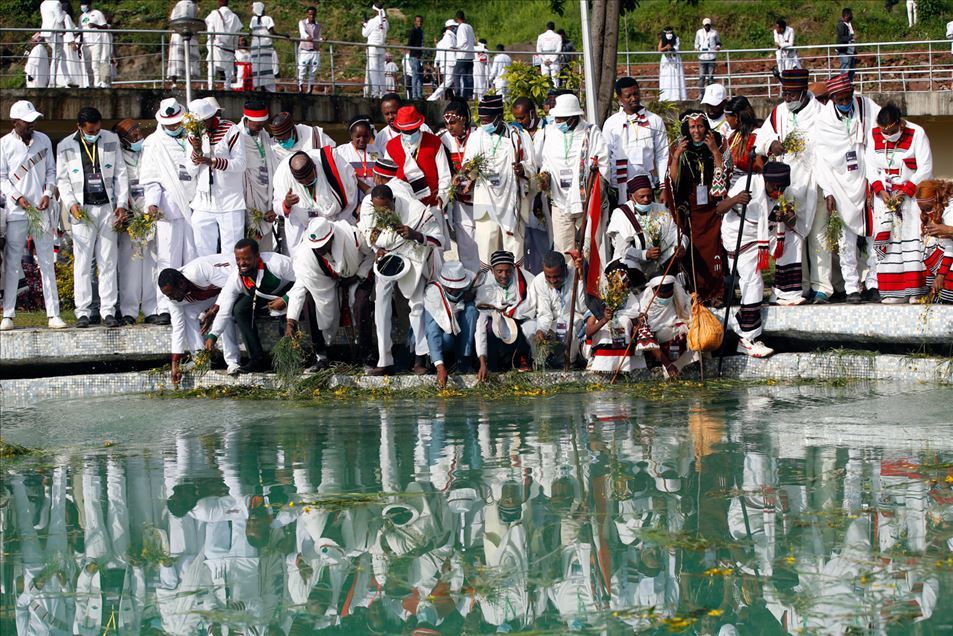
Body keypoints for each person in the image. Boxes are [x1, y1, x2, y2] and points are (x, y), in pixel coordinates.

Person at [755, 69, 827, 305]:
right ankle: (800, 286)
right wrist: (771, 144)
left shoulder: (821, 114)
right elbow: (760, 141)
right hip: (787, 188)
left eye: (791, 93)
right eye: (784, 92)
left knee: (818, 237)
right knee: (792, 238)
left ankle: (822, 287)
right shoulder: (778, 113)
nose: (786, 97)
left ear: (803, 91)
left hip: (815, 184)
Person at [357, 184, 444, 375]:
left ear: (393, 201)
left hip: (413, 257)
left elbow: (440, 241)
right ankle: (384, 360)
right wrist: (376, 249)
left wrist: (415, 234)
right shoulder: (370, 208)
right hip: (387, 259)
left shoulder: (416, 210)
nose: (384, 212)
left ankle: (420, 359)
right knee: (380, 304)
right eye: (379, 208)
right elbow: (369, 234)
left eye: (387, 208)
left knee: (417, 305)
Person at [57, 106, 128, 328]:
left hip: (107, 207)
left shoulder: (111, 139)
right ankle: (83, 312)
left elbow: (120, 172)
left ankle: (108, 310)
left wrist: (122, 203)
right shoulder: (65, 145)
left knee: (109, 261)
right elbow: (62, 180)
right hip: (82, 209)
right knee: (83, 263)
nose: (94, 133)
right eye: (89, 131)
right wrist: (70, 204)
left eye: (97, 129)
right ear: (79, 127)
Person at [814, 73, 881, 303]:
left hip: (866, 178)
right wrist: (828, 191)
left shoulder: (866, 106)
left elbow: (879, 133)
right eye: (840, 99)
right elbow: (820, 160)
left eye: (848, 97)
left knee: (874, 235)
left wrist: (874, 180)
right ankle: (852, 287)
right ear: (831, 98)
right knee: (845, 241)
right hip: (840, 184)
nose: (845, 102)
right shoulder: (823, 121)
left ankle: (874, 283)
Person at [0, 101, 67, 331]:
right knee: (11, 263)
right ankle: (8, 314)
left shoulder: (44, 139)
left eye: (33, 121)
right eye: (27, 122)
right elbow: (1, 179)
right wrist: (18, 197)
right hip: (17, 211)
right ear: (15, 122)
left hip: (41, 210)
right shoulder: (4, 144)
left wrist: (48, 193)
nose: (32, 125)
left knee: (47, 262)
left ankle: (54, 314)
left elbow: (51, 171)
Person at [721, 162, 792, 358]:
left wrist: (783, 215)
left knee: (793, 239)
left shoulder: (779, 193)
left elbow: (787, 218)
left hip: (762, 234)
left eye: (781, 188)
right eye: (775, 187)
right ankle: (747, 339)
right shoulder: (747, 182)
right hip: (739, 237)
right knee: (753, 281)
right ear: (766, 181)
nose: (778, 191)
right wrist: (736, 199)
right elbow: (720, 209)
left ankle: (786, 291)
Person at [285, 216, 374, 369]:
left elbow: (372, 254)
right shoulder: (304, 256)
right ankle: (321, 356)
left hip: (358, 276)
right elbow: (300, 286)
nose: (319, 250)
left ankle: (367, 356)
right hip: (329, 284)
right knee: (309, 301)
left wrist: (358, 274)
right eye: (316, 247)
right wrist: (291, 320)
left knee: (360, 304)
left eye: (322, 245)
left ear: (332, 237)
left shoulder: (352, 236)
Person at [866, 103, 933, 303]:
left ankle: (915, 291)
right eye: (883, 130)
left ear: (899, 124)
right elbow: (870, 166)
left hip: (910, 197)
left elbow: (926, 167)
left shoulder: (917, 133)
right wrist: (879, 190)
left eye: (891, 131)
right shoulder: (873, 134)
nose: (886, 134)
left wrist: (905, 192)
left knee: (912, 241)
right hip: (884, 198)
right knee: (889, 242)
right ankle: (893, 292)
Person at [463, 94, 537, 269]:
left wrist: (523, 170)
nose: (484, 124)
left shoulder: (519, 136)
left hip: (512, 202)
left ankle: (516, 293)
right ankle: (487, 293)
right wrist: (468, 171)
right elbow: (467, 166)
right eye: (481, 120)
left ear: (499, 117)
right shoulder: (476, 137)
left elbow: (533, 168)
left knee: (515, 251)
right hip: (485, 203)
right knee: (486, 250)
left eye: (488, 120)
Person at [140, 98, 197, 324]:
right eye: (170, 124)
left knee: (193, 257)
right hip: (168, 208)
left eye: (177, 123)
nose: (174, 127)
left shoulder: (193, 136)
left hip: (194, 204)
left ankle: (194, 303)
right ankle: (165, 308)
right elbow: (151, 179)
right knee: (167, 259)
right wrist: (152, 203)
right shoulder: (153, 143)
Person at [206, 238, 295, 372]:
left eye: (246, 259)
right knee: (239, 309)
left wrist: (286, 299)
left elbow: (304, 279)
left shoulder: (277, 263)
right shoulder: (235, 277)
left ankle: (288, 362)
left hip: (290, 293)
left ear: (257, 256)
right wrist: (213, 335)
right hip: (263, 297)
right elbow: (224, 309)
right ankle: (257, 359)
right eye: (238, 259)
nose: (242, 263)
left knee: (287, 314)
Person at [535, 93, 609, 254]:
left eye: (562, 118)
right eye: (557, 118)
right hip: (559, 201)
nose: (558, 122)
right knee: (563, 250)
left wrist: (596, 189)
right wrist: (544, 178)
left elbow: (603, 165)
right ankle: (568, 279)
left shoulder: (591, 132)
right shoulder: (550, 133)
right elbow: (545, 162)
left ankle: (588, 279)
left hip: (586, 202)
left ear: (573, 117)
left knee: (590, 249)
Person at [667, 110, 726, 305]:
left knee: (714, 249)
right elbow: (672, 182)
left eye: (700, 126)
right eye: (692, 127)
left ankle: (716, 292)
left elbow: (723, 177)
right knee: (694, 252)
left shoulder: (718, 142)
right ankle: (696, 293)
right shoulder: (679, 147)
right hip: (691, 209)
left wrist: (715, 151)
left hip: (712, 207)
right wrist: (676, 157)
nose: (696, 131)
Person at [157, 253, 240, 382]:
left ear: (181, 283)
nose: (170, 298)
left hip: (235, 282)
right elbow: (178, 328)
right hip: (214, 293)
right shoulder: (172, 299)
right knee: (189, 313)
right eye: (167, 296)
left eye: (172, 294)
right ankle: (200, 358)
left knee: (224, 312)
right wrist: (175, 366)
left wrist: (214, 310)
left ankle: (232, 362)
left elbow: (229, 288)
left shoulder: (199, 270)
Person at [185, 97, 246, 257]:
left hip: (230, 202)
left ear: (212, 117)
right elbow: (190, 171)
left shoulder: (230, 129)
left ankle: (230, 282)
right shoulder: (193, 134)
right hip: (203, 203)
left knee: (231, 256)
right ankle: (207, 283)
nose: (200, 128)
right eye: (196, 124)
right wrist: (196, 152)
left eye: (202, 123)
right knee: (203, 254)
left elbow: (240, 164)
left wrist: (211, 161)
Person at [113, 118, 160, 324]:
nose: (137, 133)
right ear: (122, 138)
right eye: (131, 131)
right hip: (130, 218)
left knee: (151, 264)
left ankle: (152, 310)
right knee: (130, 266)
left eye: (137, 128)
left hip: (150, 215)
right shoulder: (117, 156)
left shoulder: (149, 150)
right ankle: (129, 312)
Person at [272, 149, 358, 250]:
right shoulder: (283, 175)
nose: (305, 182)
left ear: (314, 167)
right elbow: (276, 206)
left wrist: (340, 227)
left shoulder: (332, 163)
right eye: (301, 181)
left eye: (309, 179)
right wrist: (286, 204)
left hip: (336, 223)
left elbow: (351, 194)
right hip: (301, 230)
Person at [607, 174, 686, 283]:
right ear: (631, 197)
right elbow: (623, 250)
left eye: (649, 195)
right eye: (642, 196)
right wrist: (645, 254)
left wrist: (681, 247)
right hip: (632, 265)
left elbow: (680, 235)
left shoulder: (662, 210)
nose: (646, 199)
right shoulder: (621, 214)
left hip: (659, 264)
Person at [604, 77, 670, 196]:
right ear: (619, 98)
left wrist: (663, 186)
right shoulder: (611, 123)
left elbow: (662, 155)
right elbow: (605, 157)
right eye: (628, 96)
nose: (633, 98)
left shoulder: (654, 120)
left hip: (647, 188)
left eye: (636, 94)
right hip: (618, 188)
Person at [385, 105, 451, 226]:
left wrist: (442, 197)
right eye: (405, 131)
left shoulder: (434, 142)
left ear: (419, 126)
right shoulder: (391, 146)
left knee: (435, 243)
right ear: (399, 128)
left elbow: (445, 175)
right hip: (404, 208)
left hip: (432, 206)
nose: (409, 134)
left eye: (412, 130)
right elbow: (388, 179)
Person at [475, 250, 535, 381]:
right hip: (495, 326)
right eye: (499, 271)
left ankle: (522, 359)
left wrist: (512, 312)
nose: (504, 275)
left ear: (513, 268)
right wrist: (482, 361)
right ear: (492, 270)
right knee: (489, 327)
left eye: (508, 271)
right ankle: (490, 365)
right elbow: (481, 322)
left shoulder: (526, 279)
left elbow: (531, 305)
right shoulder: (483, 285)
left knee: (528, 327)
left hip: (519, 318)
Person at [423, 260, 479, 386]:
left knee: (471, 310)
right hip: (437, 338)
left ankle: (464, 360)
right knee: (446, 338)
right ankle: (437, 362)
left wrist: (470, 297)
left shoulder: (466, 289)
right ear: (447, 287)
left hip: (457, 333)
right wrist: (440, 367)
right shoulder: (433, 294)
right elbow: (432, 330)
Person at [437, 100, 478, 270]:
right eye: (447, 123)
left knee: (487, 244)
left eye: (453, 122)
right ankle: (471, 282)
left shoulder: (479, 135)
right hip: (460, 203)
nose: (450, 127)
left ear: (464, 119)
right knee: (466, 246)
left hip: (482, 198)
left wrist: (474, 178)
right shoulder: (443, 138)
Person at [583, 261, 643, 373]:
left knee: (624, 321)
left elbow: (636, 326)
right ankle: (602, 364)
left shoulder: (632, 302)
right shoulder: (599, 302)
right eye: (617, 281)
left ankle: (623, 367)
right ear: (610, 282)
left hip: (624, 353)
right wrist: (604, 320)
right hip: (601, 353)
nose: (621, 285)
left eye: (624, 281)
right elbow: (588, 332)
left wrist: (639, 323)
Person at [530, 250, 584, 367]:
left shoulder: (575, 274)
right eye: (548, 277)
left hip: (575, 320)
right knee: (531, 331)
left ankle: (571, 362)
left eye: (557, 276)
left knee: (571, 331)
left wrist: (580, 280)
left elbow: (583, 307)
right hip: (553, 323)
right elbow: (545, 313)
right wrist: (541, 330)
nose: (553, 281)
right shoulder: (539, 281)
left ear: (565, 268)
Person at [637, 275, 696, 379]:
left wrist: (694, 302)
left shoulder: (678, 294)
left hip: (680, 331)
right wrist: (668, 365)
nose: (666, 298)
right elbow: (648, 340)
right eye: (662, 296)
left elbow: (687, 309)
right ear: (654, 291)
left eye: (669, 295)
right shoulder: (645, 303)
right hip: (662, 344)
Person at [239, 100, 278, 252]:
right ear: (246, 120)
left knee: (266, 249)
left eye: (263, 124)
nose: (260, 128)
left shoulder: (264, 135)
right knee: (248, 244)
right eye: (257, 125)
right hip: (247, 196)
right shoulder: (237, 137)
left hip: (267, 195)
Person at [917, 180, 953, 303]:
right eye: (924, 210)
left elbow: (950, 247)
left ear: (936, 200)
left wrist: (941, 275)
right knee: (928, 245)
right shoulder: (940, 207)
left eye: (928, 208)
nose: (927, 213)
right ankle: (934, 291)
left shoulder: (950, 209)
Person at [335, 115, 381, 201]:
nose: (362, 139)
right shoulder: (341, 151)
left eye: (366, 136)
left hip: (372, 197)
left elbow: (378, 170)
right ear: (351, 135)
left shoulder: (374, 150)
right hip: (351, 199)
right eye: (358, 136)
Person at [724, 96, 764, 186]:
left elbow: (760, 170)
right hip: (732, 190)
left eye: (727, 117)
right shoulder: (734, 136)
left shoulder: (756, 136)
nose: (726, 120)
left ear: (736, 117)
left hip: (749, 190)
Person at [204, 0, 242, 91]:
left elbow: (210, 33)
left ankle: (211, 86)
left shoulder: (214, 15)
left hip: (217, 46)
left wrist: (210, 40)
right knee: (228, 69)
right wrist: (235, 47)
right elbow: (237, 34)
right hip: (229, 48)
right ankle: (227, 87)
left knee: (212, 65)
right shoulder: (234, 17)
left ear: (219, 3)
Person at [268, 112, 335, 163]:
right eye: (279, 140)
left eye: (285, 139)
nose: (282, 143)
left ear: (293, 130)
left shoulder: (316, 137)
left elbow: (333, 157)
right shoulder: (274, 148)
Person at [167, 0, 198, 86]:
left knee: (176, 57)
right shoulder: (194, 6)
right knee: (189, 57)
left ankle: (174, 83)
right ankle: (189, 82)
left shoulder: (180, 4)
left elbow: (172, 19)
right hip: (191, 32)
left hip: (179, 32)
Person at [79, 0, 109, 88]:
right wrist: (79, 46)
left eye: (85, 4)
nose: (83, 6)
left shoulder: (97, 13)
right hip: (85, 44)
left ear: (89, 4)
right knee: (88, 67)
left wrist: (96, 26)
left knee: (95, 65)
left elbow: (105, 26)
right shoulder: (81, 17)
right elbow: (80, 32)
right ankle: (91, 84)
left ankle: (97, 84)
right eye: (81, 4)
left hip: (96, 42)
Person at [248, 2, 277, 91]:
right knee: (266, 66)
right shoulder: (268, 19)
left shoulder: (253, 19)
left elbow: (251, 31)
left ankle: (258, 86)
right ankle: (265, 87)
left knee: (257, 67)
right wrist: (284, 35)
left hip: (255, 47)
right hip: (265, 46)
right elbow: (272, 32)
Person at [362, 2, 388, 98]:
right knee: (381, 70)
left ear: (374, 11)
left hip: (373, 48)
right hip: (382, 48)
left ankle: (375, 92)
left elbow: (365, 34)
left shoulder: (372, 21)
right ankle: (383, 92)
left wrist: (364, 24)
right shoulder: (385, 21)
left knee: (373, 70)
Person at [428, 20, 457, 101]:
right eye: (455, 27)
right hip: (450, 62)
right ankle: (433, 97)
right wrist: (460, 48)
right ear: (450, 27)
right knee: (448, 82)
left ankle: (456, 97)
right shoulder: (448, 36)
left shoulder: (444, 39)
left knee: (452, 81)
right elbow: (450, 47)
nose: (456, 28)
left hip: (446, 63)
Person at [40, 0, 66, 88]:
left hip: (46, 33)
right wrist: (64, 12)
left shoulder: (43, 3)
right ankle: (52, 82)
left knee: (62, 55)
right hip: (55, 33)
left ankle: (68, 79)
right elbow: (60, 19)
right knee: (56, 57)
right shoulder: (56, 3)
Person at [657, 27, 686, 102]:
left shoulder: (676, 39)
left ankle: (677, 96)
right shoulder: (662, 40)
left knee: (676, 76)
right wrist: (666, 47)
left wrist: (671, 48)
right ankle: (666, 97)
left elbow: (677, 48)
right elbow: (659, 49)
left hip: (675, 59)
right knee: (666, 78)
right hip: (666, 61)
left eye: (670, 33)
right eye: (667, 33)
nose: (669, 34)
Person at [451, 11, 475, 100]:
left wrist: (456, 47)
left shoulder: (461, 27)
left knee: (456, 74)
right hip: (470, 55)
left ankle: (457, 94)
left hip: (462, 55)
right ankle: (468, 95)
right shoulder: (470, 26)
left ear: (456, 19)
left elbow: (464, 40)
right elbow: (473, 39)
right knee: (468, 76)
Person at [297, 6, 321, 94]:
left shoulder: (318, 25)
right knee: (302, 69)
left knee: (313, 71)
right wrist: (307, 37)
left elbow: (318, 37)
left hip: (314, 50)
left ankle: (310, 89)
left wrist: (322, 39)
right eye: (310, 14)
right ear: (307, 14)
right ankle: (301, 87)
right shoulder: (302, 23)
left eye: (313, 15)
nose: (312, 16)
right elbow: (302, 32)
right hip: (305, 50)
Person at [693, 18, 721, 95]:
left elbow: (718, 42)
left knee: (710, 76)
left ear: (710, 25)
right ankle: (701, 94)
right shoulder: (699, 32)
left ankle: (710, 94)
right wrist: (696, 48)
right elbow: (696, 43)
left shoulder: (714, 32)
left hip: (711, 56)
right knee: (702, 76)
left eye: (708, 25)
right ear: (703, 25)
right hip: (702, 57)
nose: (707, 27)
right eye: (705, 25)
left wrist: (718, 47)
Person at [536, 22, 562, 87]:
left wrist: (544, 59)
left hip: (544, 58)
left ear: (546, 27)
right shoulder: (558, 37)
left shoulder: (541, 36)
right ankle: (555, 94)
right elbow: (558, 50)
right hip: (554, 60)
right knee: (555, 79)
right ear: (554, 28)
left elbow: (538, 49)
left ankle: (546, 95)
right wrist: (552, 60)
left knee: (544, 79)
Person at [406, 14, 424, 99]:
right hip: (414, 56)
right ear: (415, 22)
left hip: (419, 56)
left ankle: (419, 94)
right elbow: (410, 44)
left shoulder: (421, 32)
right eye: (418, 21)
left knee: (420, 76)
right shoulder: (413, 31)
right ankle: (414, 95)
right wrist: (415, 53)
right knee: (415, 75)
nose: (419, 23)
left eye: (420, 21)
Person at [836, 8, 856, 80]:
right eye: (850, 14)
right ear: (846, 15)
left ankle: (849, 85)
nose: (851, 16)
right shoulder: (840, 25)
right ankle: (844, 85)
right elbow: (841, 37)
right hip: (844, 51)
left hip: (851, 51)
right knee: (845, 68)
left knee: (852, 70)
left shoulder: (849, 24)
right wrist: (851, 37)